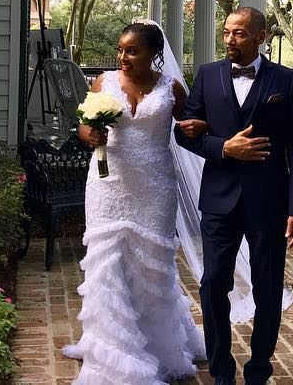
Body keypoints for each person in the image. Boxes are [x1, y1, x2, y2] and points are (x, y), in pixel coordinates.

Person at [62, 20, 208, 385]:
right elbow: (83, 125)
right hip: (108, 184)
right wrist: (90, 134)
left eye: (132, 51)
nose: (123, 57)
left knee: (153, 267)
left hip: (155, 186)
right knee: (108, 264)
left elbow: (191, 125)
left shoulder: (171, 88)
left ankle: (160, 348)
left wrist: (198, 127)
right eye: (120, 50)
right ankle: (112, 350)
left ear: (154, 54)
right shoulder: (104, 82)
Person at [174, 6, 293, 385]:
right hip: (219, 199)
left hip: (269, 200)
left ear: (260, 37)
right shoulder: (207, 75)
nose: (230, 39)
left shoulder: (285, 79)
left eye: (239, 33)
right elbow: (184, 132)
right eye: (226, 32)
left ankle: (258, 370)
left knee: (268, 287)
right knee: (213, 283)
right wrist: (223, 147)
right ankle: (221, 370)